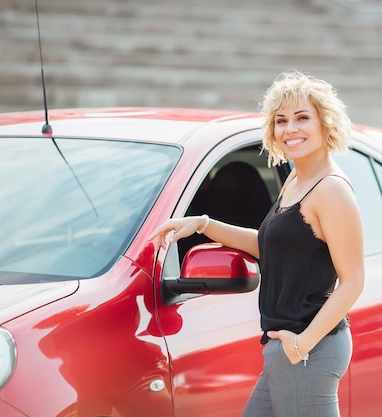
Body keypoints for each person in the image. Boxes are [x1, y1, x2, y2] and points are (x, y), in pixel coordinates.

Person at [148, 70, 365, 417]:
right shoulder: (296, 178)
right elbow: (271, 246)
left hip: (308, 348)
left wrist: (302, 344)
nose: (290, 129)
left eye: (302, 117)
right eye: (281, 120)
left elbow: (353, 281)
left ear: (325, 122)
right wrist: (203, 224)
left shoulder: (331, 190)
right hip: (286, 348)